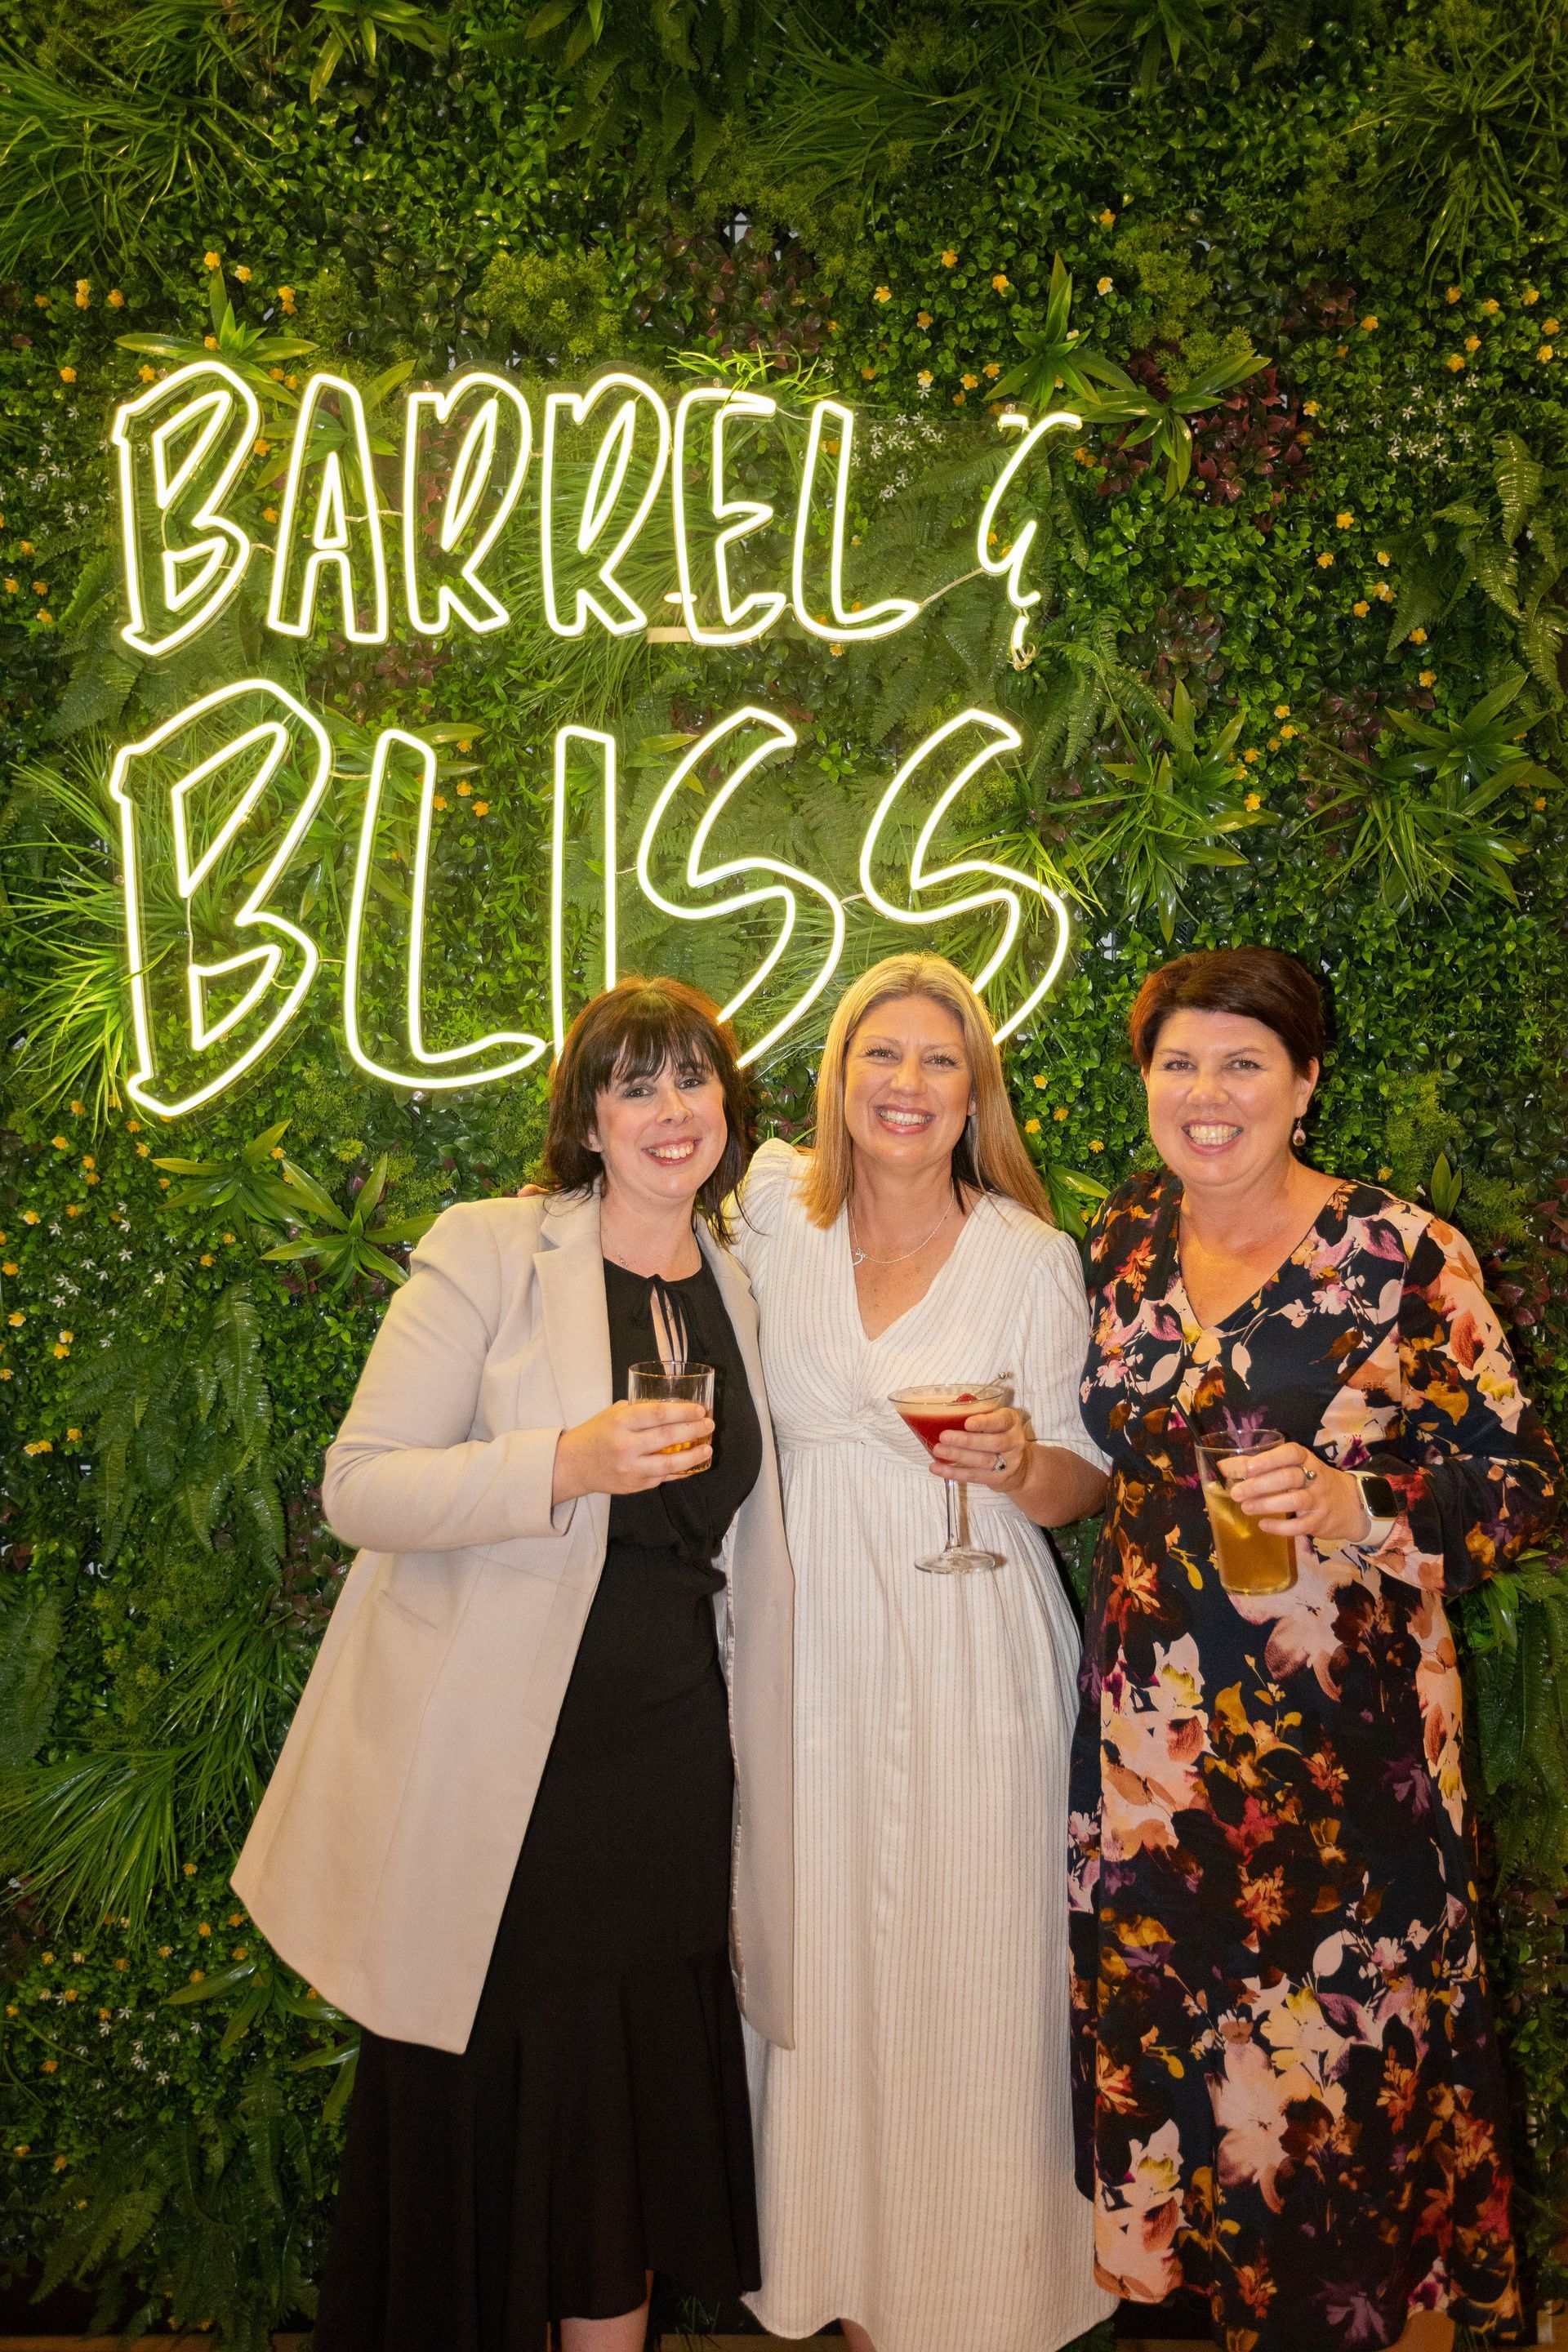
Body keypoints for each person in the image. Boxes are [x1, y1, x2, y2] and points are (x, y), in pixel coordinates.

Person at [233, 977, 795, 2352]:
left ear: (729, 1106)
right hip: (507, 1777)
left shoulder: (736, 1279)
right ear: (587, 1122)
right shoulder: (489, 1249)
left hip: (671, 1764)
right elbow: (361, 1487)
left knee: (621, 2138)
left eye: (693, 1079)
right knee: (494, 2118)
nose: (670, 1111)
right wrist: (561, 1463)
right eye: (633, 1086)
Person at [1070, 946, 1559, 2352]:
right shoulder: (1118, 1241)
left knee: (1340, 2113)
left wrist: (1362, 1505)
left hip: (1351, 1770)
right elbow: (1101, 1465)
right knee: (1191, 2099)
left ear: (1304, 1085)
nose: (1207, 1092)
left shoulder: (1402, 1254)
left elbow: (1524, 1485)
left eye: (1244, 1063)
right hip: (1158, 1763)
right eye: (1179, 1062)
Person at [733, 951, 1115, 2352]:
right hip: (804, 1648)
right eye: (880, 1054)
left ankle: (983, 2304)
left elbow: (1083, 1478)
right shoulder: (772, 1213)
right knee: (822, 1967)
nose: (907, 1083)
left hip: (972, 1645)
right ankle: (840, 2289)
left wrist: (1019, 1463)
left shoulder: (1028, 1256)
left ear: (975, 1093)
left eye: (939, 1060)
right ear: (838, 1077)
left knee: (974, 1969)